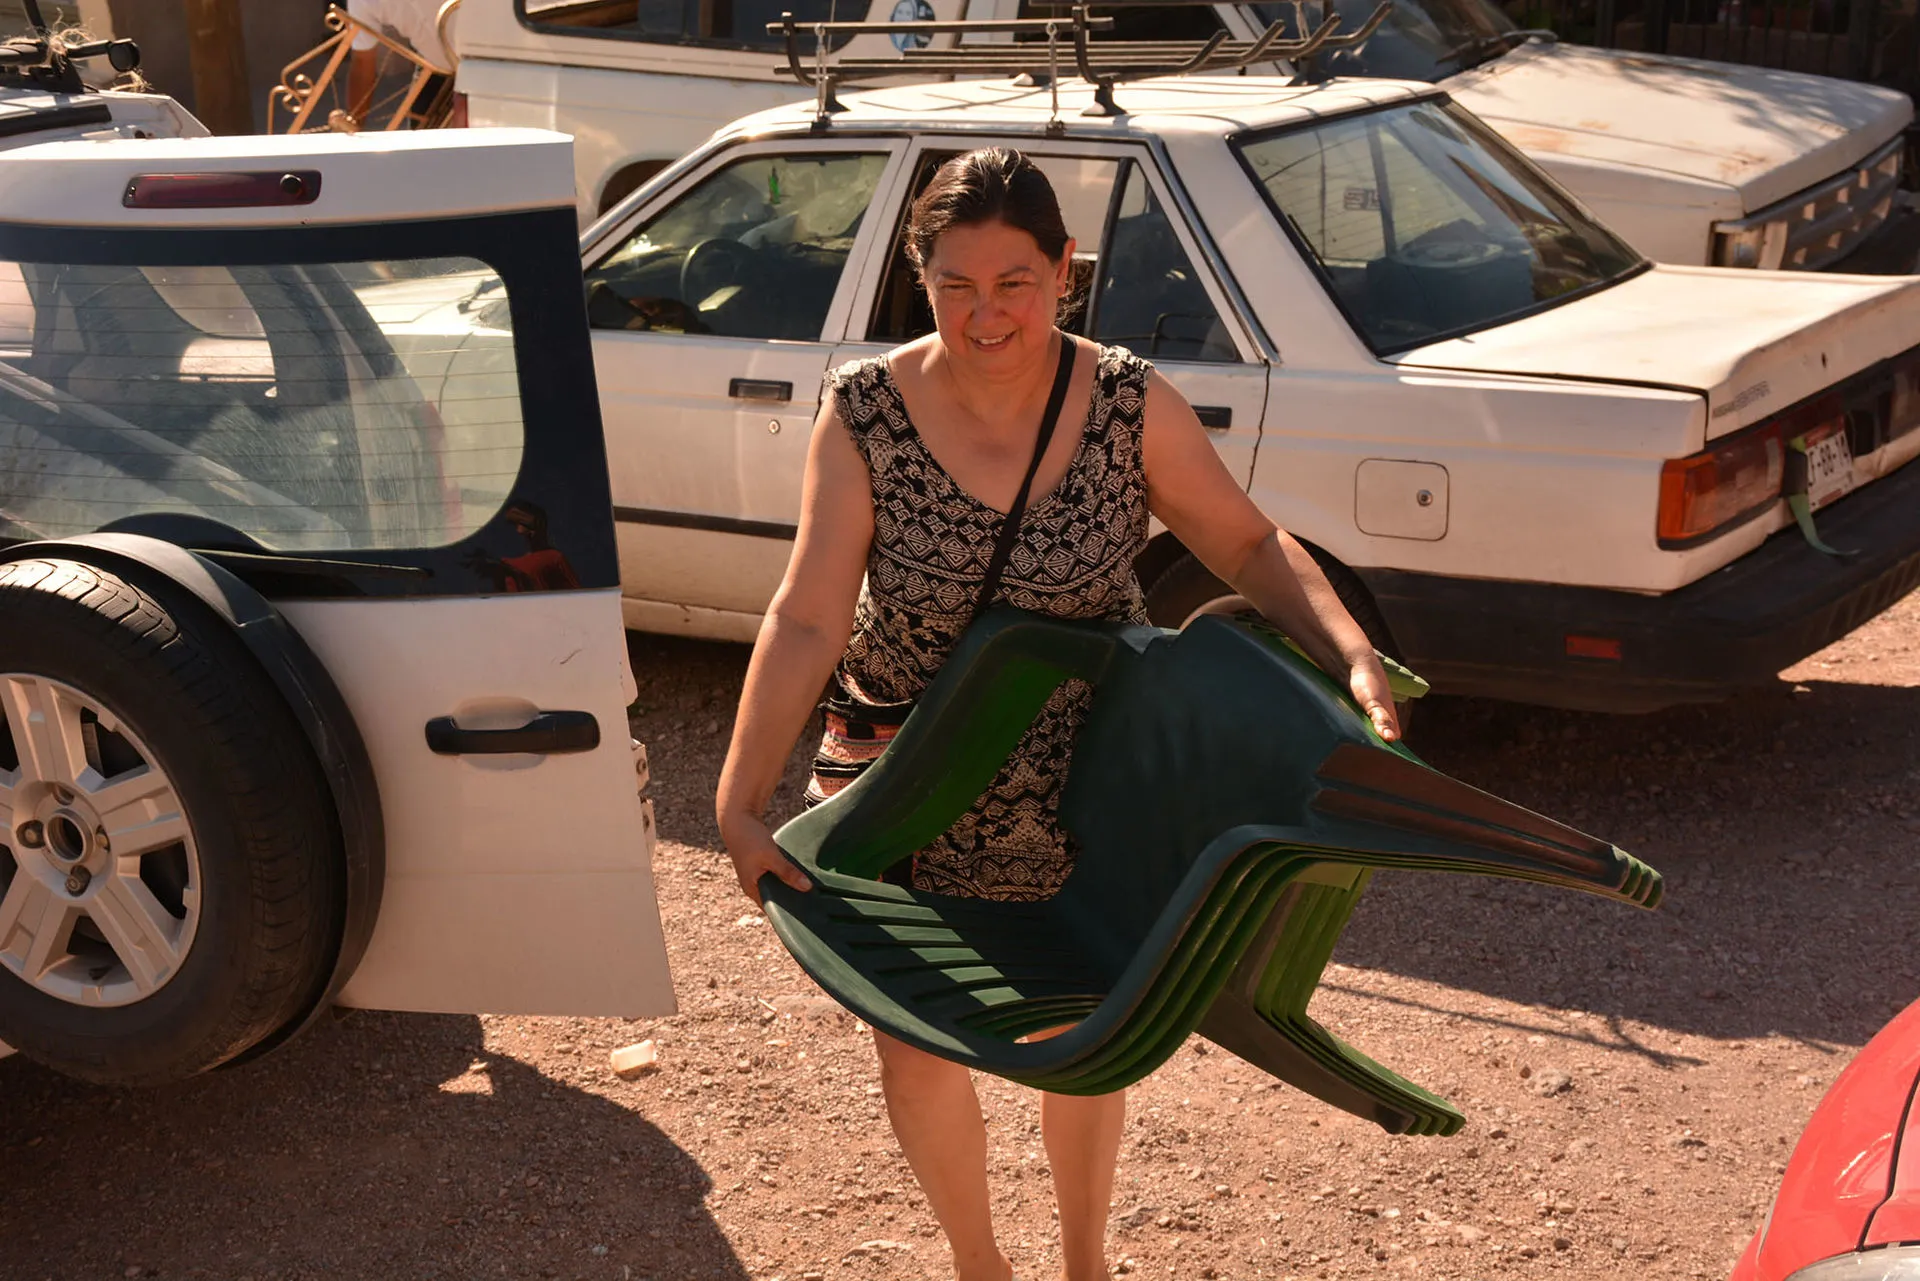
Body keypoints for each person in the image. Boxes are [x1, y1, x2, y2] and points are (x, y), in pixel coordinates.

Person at [715, 147, 1400, 1281]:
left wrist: (1346, 645)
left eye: (1015, 283)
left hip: (1077, 781)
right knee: (922, 1037)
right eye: (956, 285)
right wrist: (738, 804)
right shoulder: (867, 412)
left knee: (1081, 1031)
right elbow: (806, 617)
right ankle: (978, 1263)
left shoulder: (1128, 400)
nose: (987, 314)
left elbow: (1243, 540)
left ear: (1063, 270)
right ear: (919, 277)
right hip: (901, 776)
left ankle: (1086, 1261)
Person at [343, 0, 467, 129]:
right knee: (421, 141)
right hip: (435, 67)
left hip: (485, 60)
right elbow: (363, 62)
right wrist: (354, 127)